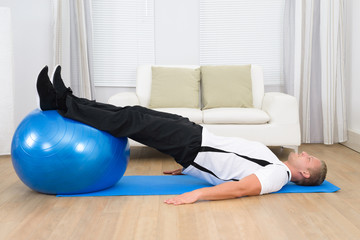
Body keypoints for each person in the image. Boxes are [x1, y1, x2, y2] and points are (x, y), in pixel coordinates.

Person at [36, 66, 327, 205]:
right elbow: (232, 166)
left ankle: (61, 104)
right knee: (135, 111)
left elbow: (239, 188)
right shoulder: (275, 165)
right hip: (197, 137)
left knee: (130, 120)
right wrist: (189, 170)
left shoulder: (277, 176)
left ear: (303, 174)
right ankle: (68, 99)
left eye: (309, 159)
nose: (305, 154)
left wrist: (196, 194)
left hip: (192, 144)